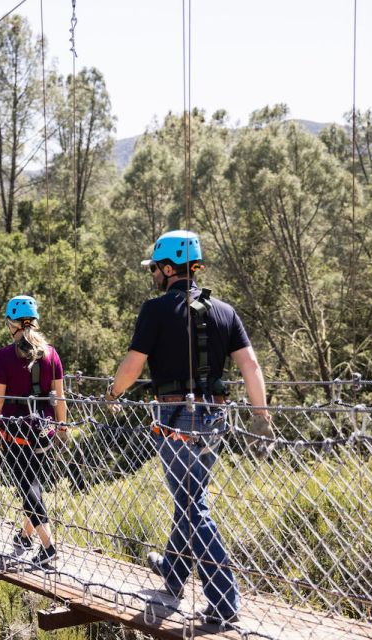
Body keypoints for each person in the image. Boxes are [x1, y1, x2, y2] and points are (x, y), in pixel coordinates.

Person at [106, 230, 272, 625]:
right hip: (215, 417)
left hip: (175, 418)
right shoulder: (225, 312)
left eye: (156, 271)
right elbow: (250, 365)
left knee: (192, 503)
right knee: (191, 494)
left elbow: (133, 364)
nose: (154, 277)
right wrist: (261, 415)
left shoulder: (156, 309)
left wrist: (113, 394)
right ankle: (174, 571)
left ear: (167, 269)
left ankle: (224, 599)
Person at [0, 295, 66, 568]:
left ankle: (48, 545)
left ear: (11, 325)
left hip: (15, 433)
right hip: (45, 430)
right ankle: (23, 536)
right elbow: (60, 397)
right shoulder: (51, 354)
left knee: (27, 486)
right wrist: (63, 427)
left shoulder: (3, 357)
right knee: (35, 482)